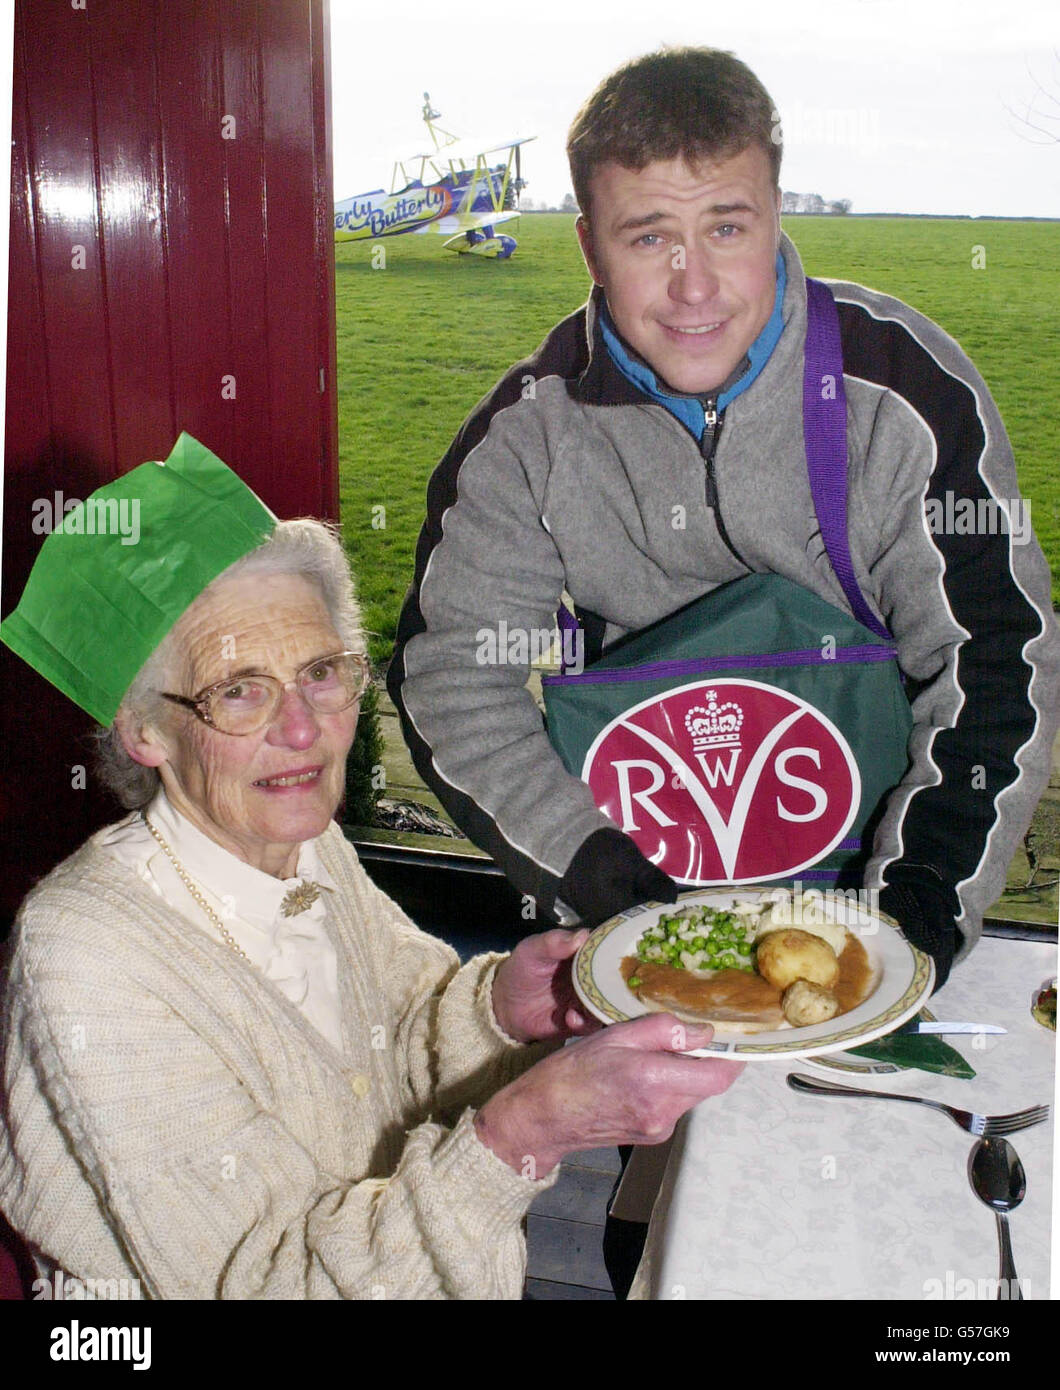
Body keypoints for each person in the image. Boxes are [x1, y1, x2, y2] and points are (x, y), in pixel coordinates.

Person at [0, 433, 740, 1301]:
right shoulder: (84, 958)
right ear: (143, 732)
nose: (307, 730)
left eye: (320, 671)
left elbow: (402, 1030)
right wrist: (519, 1136)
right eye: (239, 689)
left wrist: (504, 1007)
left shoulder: (304, 842)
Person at [388, 47, 1060, 990]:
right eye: (648, 235)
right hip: (634, 902)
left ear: (777, 213)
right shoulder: (526, 437)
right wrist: (621, 902)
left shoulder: (900, 391)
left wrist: (904, 928)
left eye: (727, 227)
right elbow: (453, 676)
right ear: (588, 245)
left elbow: (994, 656)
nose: (693, 285)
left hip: (885, 880)